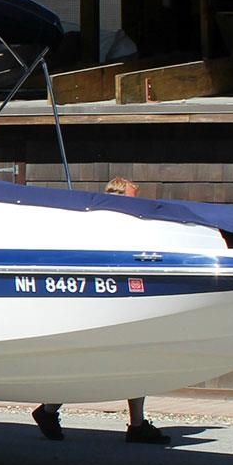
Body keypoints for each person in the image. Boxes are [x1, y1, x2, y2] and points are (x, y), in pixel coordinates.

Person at [31, 176, 171, 445]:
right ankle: (50, 410)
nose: (138, 203)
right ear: (119, 197)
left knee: (134, 362)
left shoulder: (118, 224)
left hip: (124, 304)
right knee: (89, 363)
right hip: (107, 305)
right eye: (133, 197)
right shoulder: (107, 226)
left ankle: (136, 423)